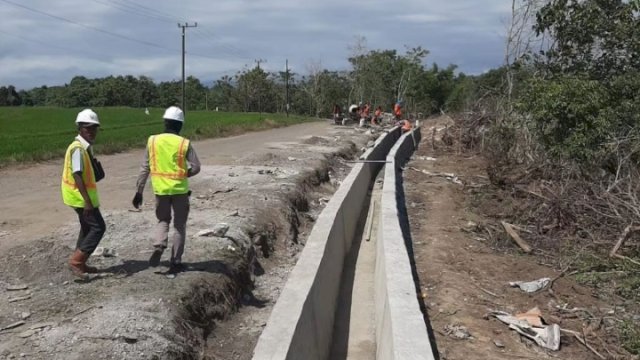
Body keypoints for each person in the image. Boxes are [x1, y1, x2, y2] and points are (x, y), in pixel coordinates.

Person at [132, 106, 201, 277]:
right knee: (179, 226)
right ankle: (176, 261)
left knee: (163, 220)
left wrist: (139, 191)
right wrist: (185, 174)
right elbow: (197, 167)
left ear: (165, 122)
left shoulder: (153, 141)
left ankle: (159, 245)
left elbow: (145, 168)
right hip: (180, 191)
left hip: (160, 190)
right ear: (180, 125)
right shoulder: (184, 143)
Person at [61, 109, 106, 278]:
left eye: (94, 128)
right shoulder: (78, 149)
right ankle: (76, 262)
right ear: (80, 128)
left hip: (81, 196)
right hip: (80, 197)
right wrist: (87, 201)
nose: (92, 131)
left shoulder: (85, 148)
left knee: (87, 227)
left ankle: (81, 262)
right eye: (88, 128)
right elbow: (77, 175)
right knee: (98, 227)